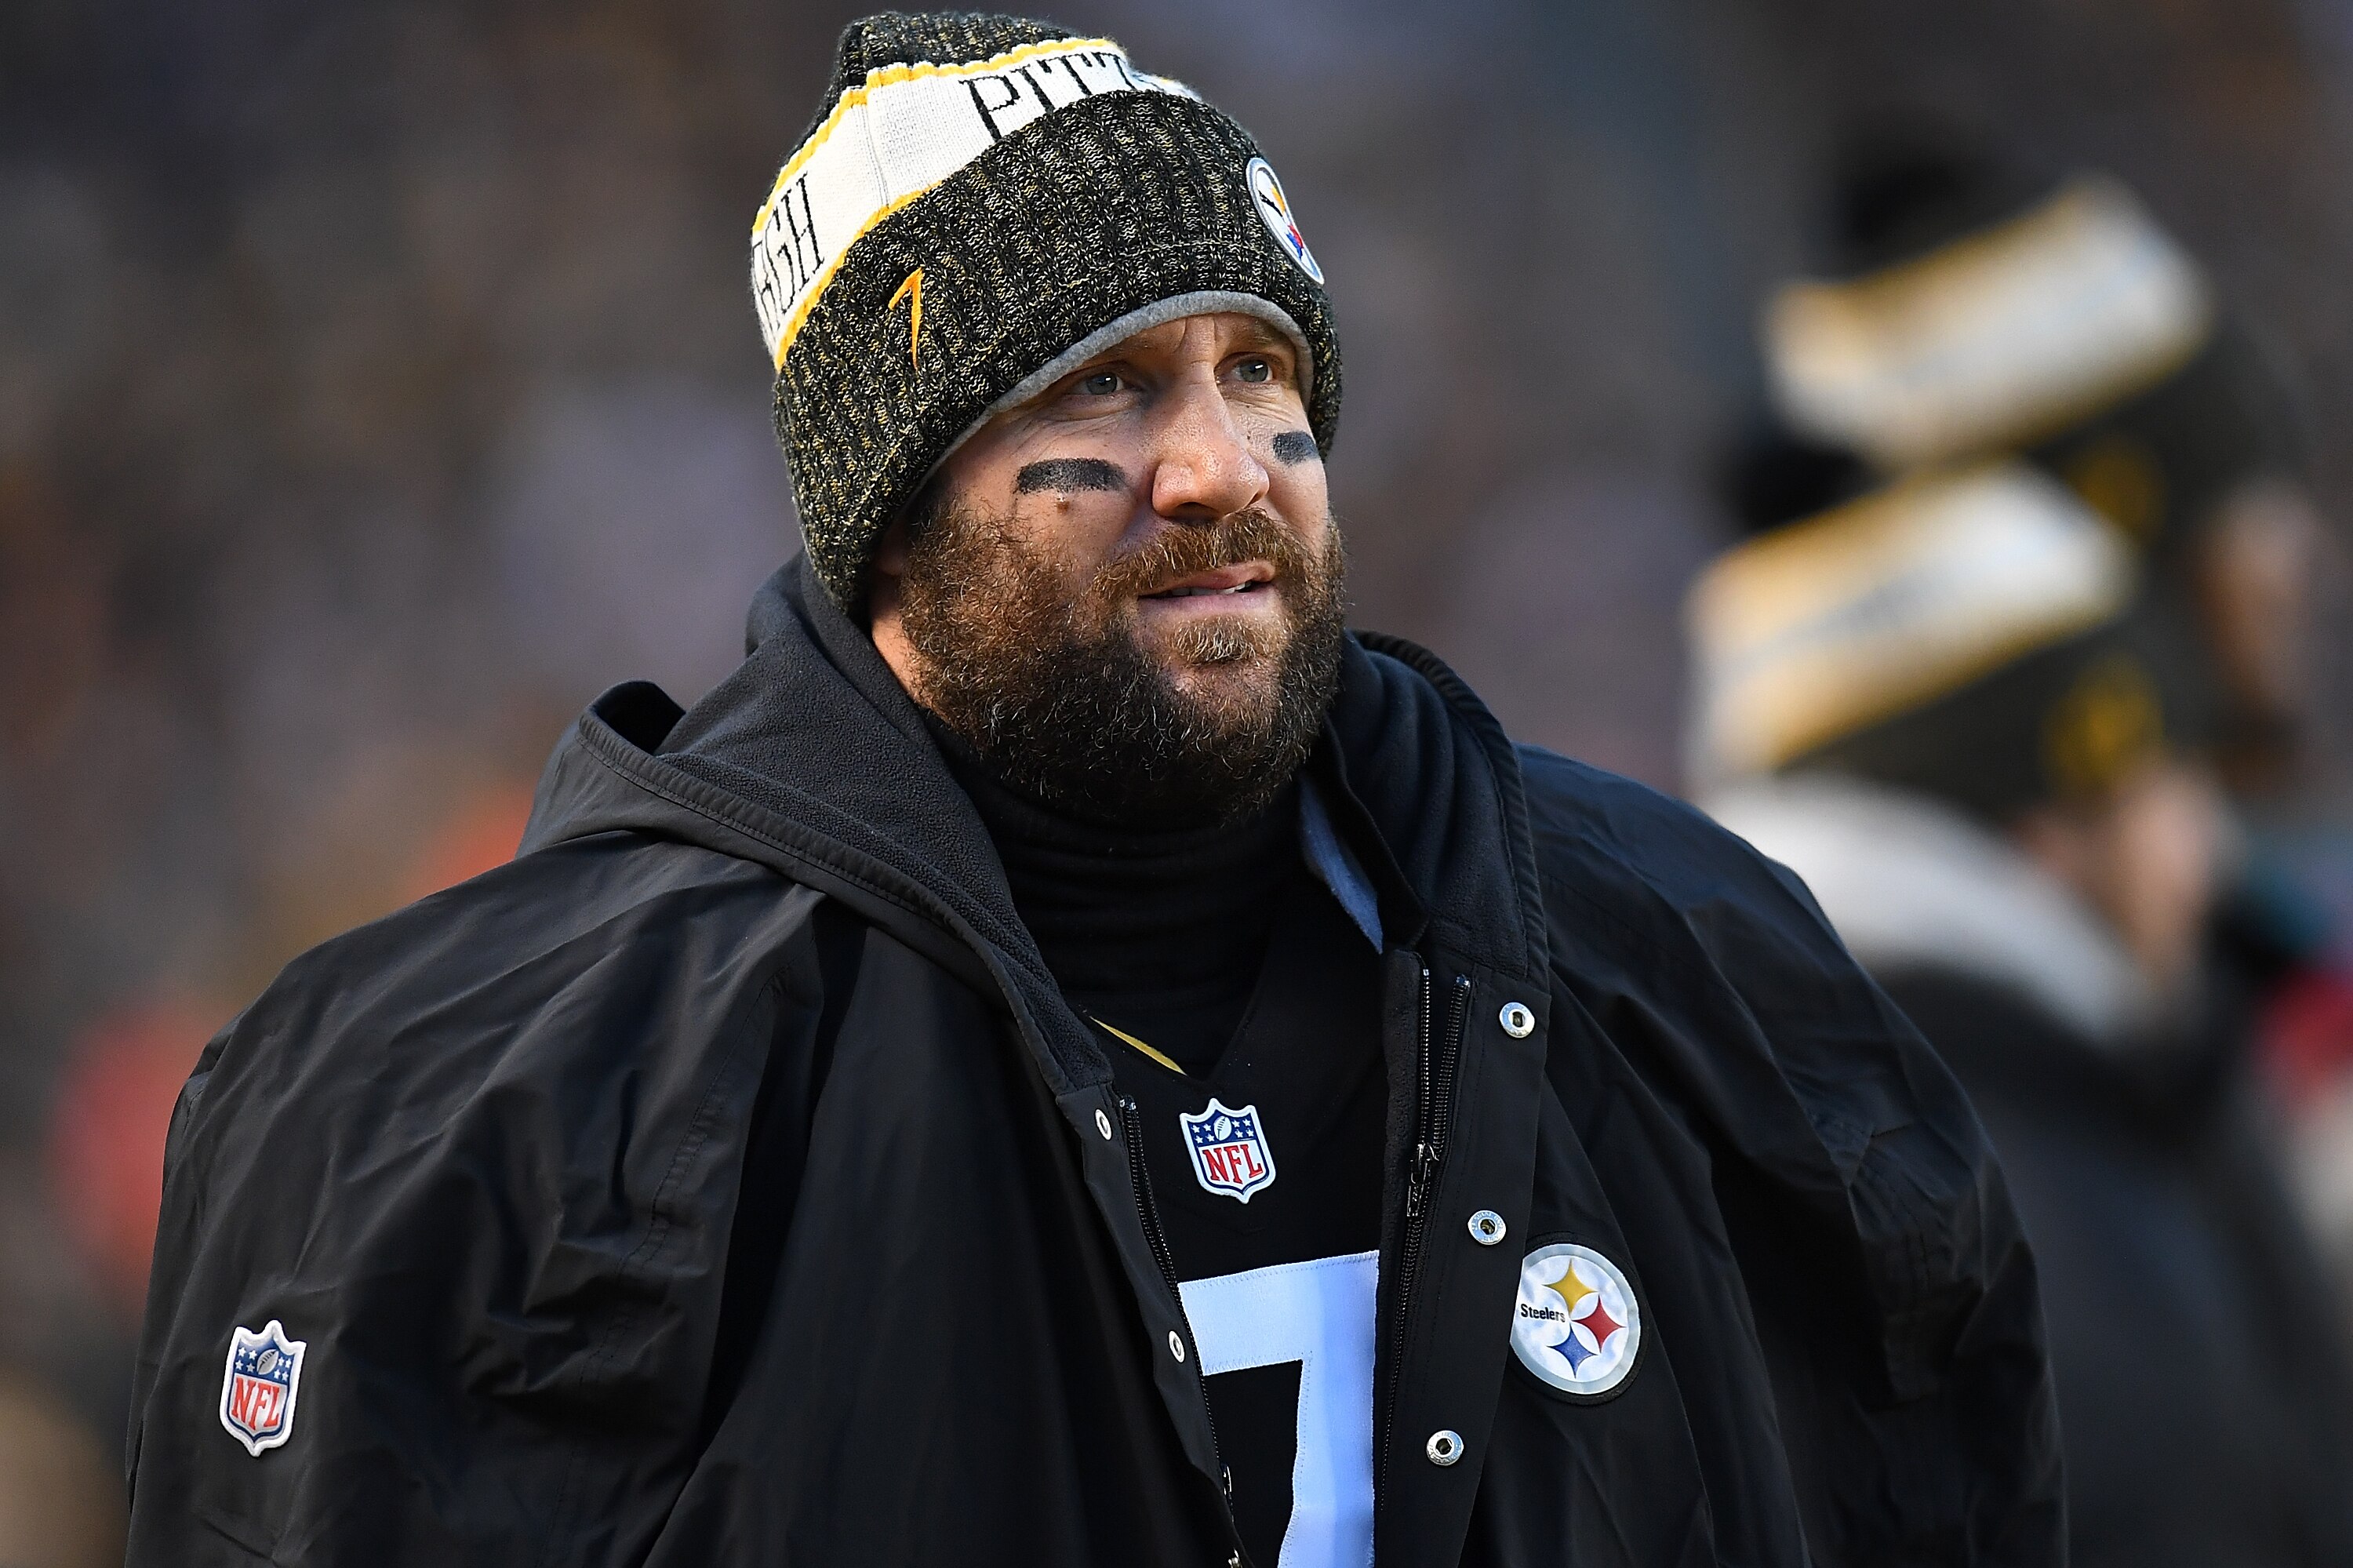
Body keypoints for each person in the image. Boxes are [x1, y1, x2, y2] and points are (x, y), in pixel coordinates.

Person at [126, 17, 2060, 1566]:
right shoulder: (481, 1103)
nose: (1223, 463)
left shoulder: (1695, 962)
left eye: (1256, 366)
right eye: (1102, 391)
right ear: (893, 511)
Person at [1691, 457, 2353, 1568]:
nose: (2205, 850)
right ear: (2042, 821)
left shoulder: (2053, 1098)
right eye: (2163, 778)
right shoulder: (1972, 1207)